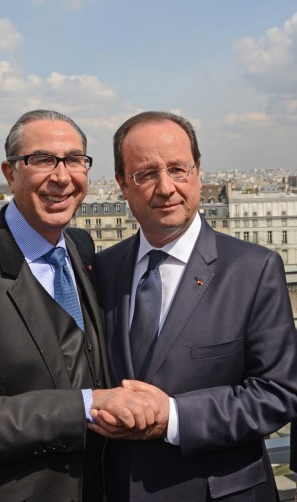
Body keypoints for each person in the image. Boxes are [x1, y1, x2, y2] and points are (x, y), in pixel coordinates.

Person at [0, 109, 158, 502]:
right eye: (42, 159)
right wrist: (88, 404)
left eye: (75, 160)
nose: (62, 176)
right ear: (10, 173)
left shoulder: (80, 247)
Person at [91, 111, 297, 501]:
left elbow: (277, 394)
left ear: (198, 171)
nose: (166, 187)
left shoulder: (253, 269)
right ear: (122, 184)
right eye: (146, 174)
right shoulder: (103, 268)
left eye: (177, 169)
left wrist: (173, 416)